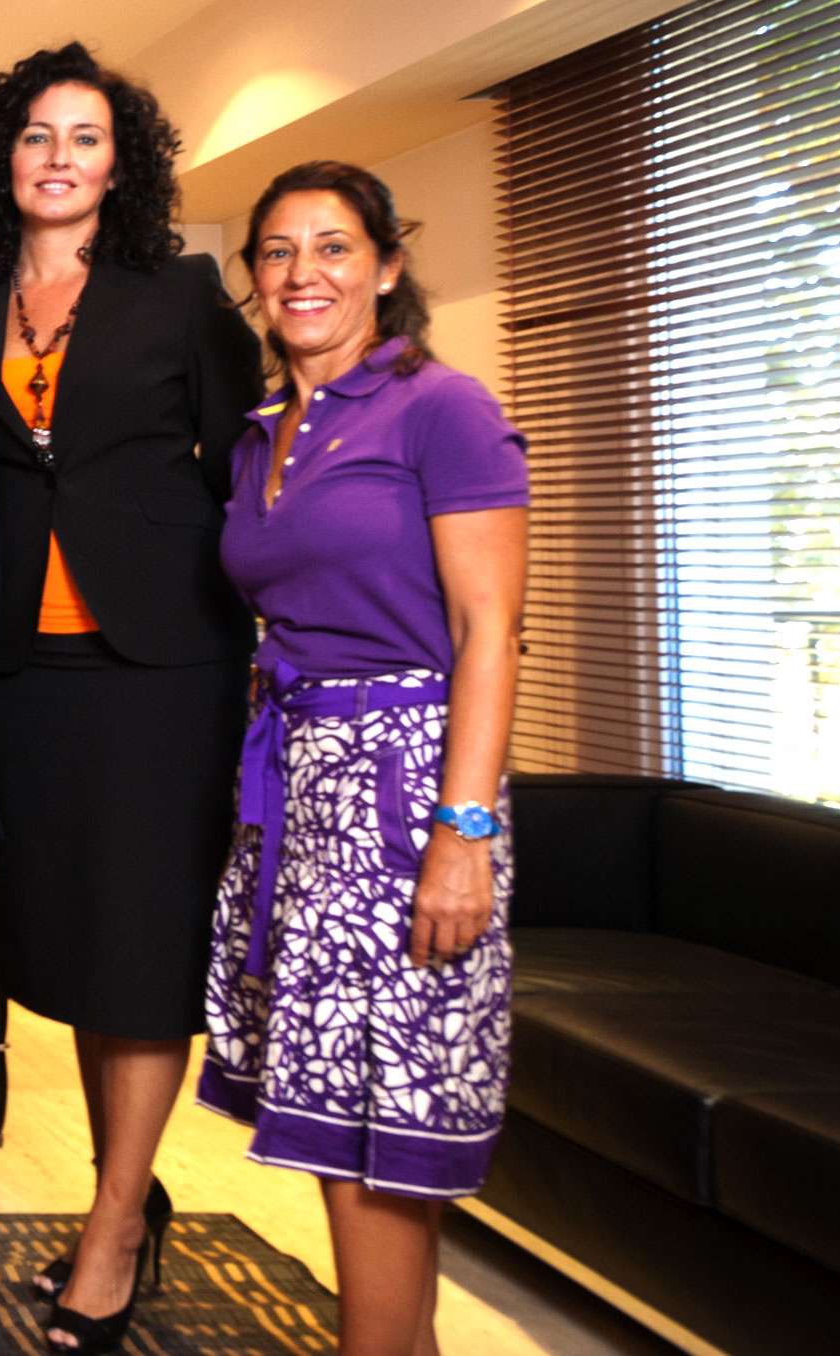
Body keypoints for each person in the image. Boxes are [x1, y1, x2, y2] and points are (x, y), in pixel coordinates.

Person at [0, 42, 260, 1353]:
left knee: (145, 946)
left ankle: (113, 1224)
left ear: (123, 165)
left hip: (163, 667)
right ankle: (132, 1186)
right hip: (22, 675)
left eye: (85, 137)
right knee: (70, 947)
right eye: (36, 135)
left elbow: (244, 479)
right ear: (1, 158)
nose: (58, 158)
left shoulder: (180, 298)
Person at [202, 161, 524, 1356]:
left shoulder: (443, 407)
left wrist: (464, 830)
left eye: (333, 247)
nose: (304, 273)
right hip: (296, 782)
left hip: (408, 786)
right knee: (336, 1106)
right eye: (278, 251)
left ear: (387, 266)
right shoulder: (262, 434)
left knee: (390, 1114)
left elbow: (490, 630)